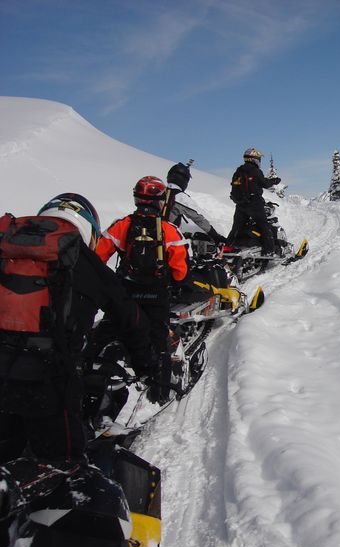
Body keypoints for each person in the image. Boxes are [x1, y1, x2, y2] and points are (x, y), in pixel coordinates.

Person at [0, 194, 153, 465]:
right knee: (64, 469)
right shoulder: (84, 262)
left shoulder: (6, 249)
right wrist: (145, 365)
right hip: (47, 385)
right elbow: (131, 320)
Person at [95, 176, 189, 403]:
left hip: (125, 293)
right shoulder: (169, 230)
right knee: (159, 340)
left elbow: (97, 257)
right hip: (156, 295)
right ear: (160, 201)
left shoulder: (122, 225)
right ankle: (161, 390)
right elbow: (180, 271)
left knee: (113, 328)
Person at [226, 147, 282, 255]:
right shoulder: (255, 171)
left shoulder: (238, 171)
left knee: (236, 228)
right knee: (264, 226)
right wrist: (274, 181)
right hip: (254, 204)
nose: (259, 161)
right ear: (254, 159)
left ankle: (227, 248)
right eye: (258, 159)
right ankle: (269, 250)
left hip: (240, 204)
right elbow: (264, 183)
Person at [164, 161, 227, 244]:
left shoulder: (158, 192)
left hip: (152, 235)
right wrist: (215, 236)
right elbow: (198, 218)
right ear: (184, 180)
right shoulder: (180, 198)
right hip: (168, 240)